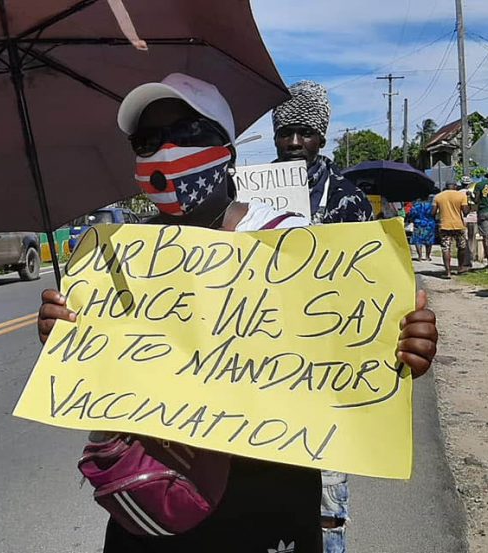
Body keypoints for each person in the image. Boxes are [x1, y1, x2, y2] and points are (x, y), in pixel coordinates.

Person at [36, 73, 440, 553]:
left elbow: (350, 351)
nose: (167, 152)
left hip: (268, 494)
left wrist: (403, 345)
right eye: (148, 141)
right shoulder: (116, 257)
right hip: (154, 501)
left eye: (187, 136)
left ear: (227, 150)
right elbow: (101, 373)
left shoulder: (291, 243)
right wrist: (64, 333)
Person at [271, 79, 374, 553]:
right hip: (263, 374)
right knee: (264, 508)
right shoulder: (249, 194)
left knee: (326, 507)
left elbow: (370, 285)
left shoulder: (347, 198)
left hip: (328, 375)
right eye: (285, 131)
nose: (294, 142)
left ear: (322, 136)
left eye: (304, 132)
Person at [272, 80, 374, 225]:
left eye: (306, 134)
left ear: (321, 141)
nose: (294, 143)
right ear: (275, 139)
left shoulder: (352, 200)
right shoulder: (249, 197)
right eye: (285, 134)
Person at [434, 181, 471, 278]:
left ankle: (448, 272)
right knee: (461, 247)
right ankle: (460, 267)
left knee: (446, 248)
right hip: (459, 225)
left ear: (446, 187)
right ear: (455, 186)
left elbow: (432, 212)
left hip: (444, 226)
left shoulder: (438, 196)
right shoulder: (461, 196)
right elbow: (466, 212)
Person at [407, 195, 437, 261]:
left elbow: (412, 214)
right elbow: (434, 213)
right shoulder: (431, 206)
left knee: (417, 240)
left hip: (419, 223)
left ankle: (420, 256)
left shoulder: (416, 206)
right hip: (429, 224)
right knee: (429, 240)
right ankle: (427, 256)